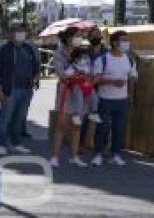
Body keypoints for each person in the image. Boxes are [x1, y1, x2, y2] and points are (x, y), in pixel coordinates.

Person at [0, 22, 40, 155]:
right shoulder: (2, 49)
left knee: (19, 118)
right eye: (17, 31)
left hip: (26, 90)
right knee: (5, 118)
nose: (21, 34)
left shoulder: (29, 48)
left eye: (23, 31)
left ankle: (15, 142)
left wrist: (36, 79)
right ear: (10, 34)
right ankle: (1, 143)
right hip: (9, 90)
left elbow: (37, 64)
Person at [91, 30, 138, 167]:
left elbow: (132, 76)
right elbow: (95, 80)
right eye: (123, 40)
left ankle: (116, 154)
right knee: (102, 128)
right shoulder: (103, 59)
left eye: (127, 40)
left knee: (119, 128)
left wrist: (132, 82)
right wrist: (112, 82)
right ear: (114, 42)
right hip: (105, 99)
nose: (126, 43)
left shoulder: (129, 59)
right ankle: (98, 154)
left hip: (122, 100)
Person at [50, 28, 88, 168]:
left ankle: (74, 156)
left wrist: (82, 73)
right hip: (65, 91)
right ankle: (55, 156)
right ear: (67, 38)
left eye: (80, 36)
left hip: (79, 91)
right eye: (76, 36)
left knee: (77, 125)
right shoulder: (59, 54)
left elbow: (87, 72)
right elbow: (62, 74)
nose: (79, 38)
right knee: (61, 125)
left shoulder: (82, 53)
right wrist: (76, 69)